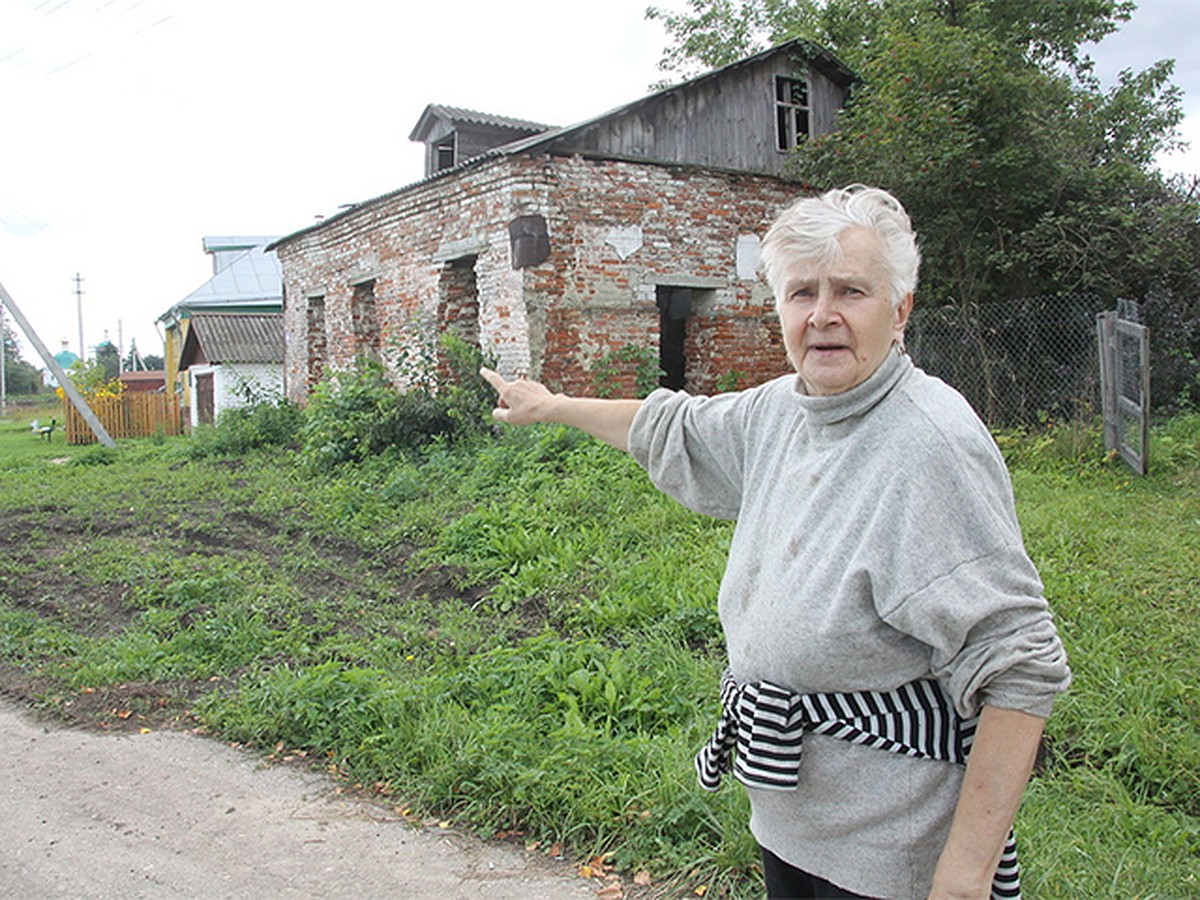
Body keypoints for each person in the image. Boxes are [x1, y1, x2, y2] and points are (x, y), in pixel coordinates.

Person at [480, 185, 1070, 900]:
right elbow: (678, 426)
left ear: (901, 309)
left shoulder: (927, 445)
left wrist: (964, 877)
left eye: (851, 291)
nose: (822, 315)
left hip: (891, 852)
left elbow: (1019, 666)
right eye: (801, 293)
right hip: (791, 824)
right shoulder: (783, 411)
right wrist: (554, 407)